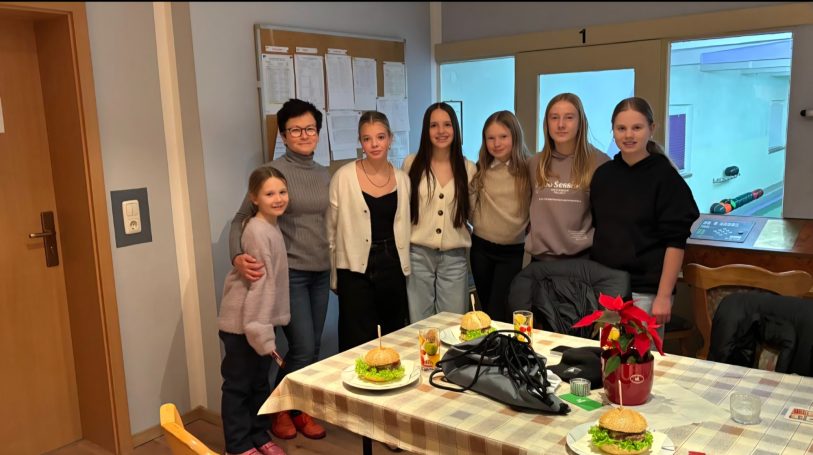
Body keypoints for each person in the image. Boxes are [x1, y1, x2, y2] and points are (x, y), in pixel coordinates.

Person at [228, 99, 329, 440]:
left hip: (321, 271)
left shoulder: (323, 173)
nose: (304, 135)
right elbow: (239, 220)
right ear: (283, 136)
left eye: (310, 128)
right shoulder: (272, 172)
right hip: (290, 275)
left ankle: (299, 409)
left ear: (318, 132)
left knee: (313, 348)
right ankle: (279, 410)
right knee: (301, 348)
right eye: (295, 130)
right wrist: (236, 256)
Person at [590, 97, 699, 337]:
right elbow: (601, 229)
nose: (628, 135)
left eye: (637, 127)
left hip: (646, 294)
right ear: (613, 131)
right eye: (621, 128)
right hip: (608, 290)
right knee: (609, 352)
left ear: (652, 128)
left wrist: (663, 296)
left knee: (639, 358)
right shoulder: (603, 175)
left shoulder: (665, 178)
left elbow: (676, 242)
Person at [219, 167, 290, 455]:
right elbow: (261, 287)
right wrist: (261, 332)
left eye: (282, 192)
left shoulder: (271, 226)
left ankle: (258, 436)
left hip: (259, 321)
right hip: (244, 324)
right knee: (239, 385)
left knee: (259, 382)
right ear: (254, 198)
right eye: (269, 193)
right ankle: (237, 446)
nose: (278, 198)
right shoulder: (257, 231)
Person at [327, 111, 411, 350]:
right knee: (355, 339)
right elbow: (331, 232)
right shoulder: (343, 177)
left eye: (380, 137)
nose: (374, 144)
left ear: (390, 139)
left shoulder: (402, 179)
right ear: (360, 142)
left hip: (392, 263)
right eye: (367, 138)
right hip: (354, 268)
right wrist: (334, 275)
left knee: (393, 335)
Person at [403, 102, 476, 322]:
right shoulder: (411, 164)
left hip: (454, 257)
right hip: (418, 255)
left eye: (447, 124)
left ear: (455, 128)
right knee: (419, 323)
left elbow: (473, 213)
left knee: (452, 324)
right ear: (426, 130)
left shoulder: (468, 168)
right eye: (434, 125)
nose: (441, 131)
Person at [526, 93, 610, 262]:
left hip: (582, 261)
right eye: (554, 118)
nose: (561, 125)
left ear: (581, 122)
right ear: (546, 123)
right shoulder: (534, 164)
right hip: (540, 261)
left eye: (569, 117)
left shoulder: (600, 163)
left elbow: (608, 220)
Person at [468, 111, 532, 322]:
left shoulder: (528, 170)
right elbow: (470, 208)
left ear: (515, 136)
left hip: (512, 252)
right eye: (491, 138)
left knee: (500, 310)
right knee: (486, 308)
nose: (497, 143)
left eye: (503, 136)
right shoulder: (479, 170)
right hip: (481, 250)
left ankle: (500, 343)